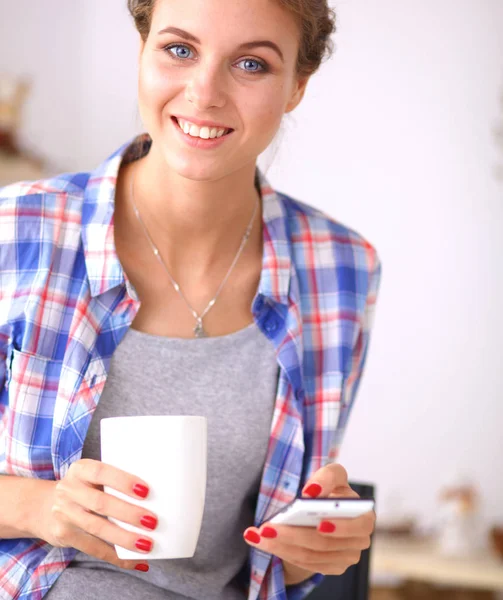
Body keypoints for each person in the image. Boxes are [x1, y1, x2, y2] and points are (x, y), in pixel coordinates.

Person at [0, 0, 382, 598]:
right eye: (179, 49)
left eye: (251, 64)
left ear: (296, 87)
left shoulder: (340, 269)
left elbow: (278, 559)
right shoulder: (17, 230)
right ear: (143, 51)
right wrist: (35, 505)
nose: (204, 92)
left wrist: (314, 548)